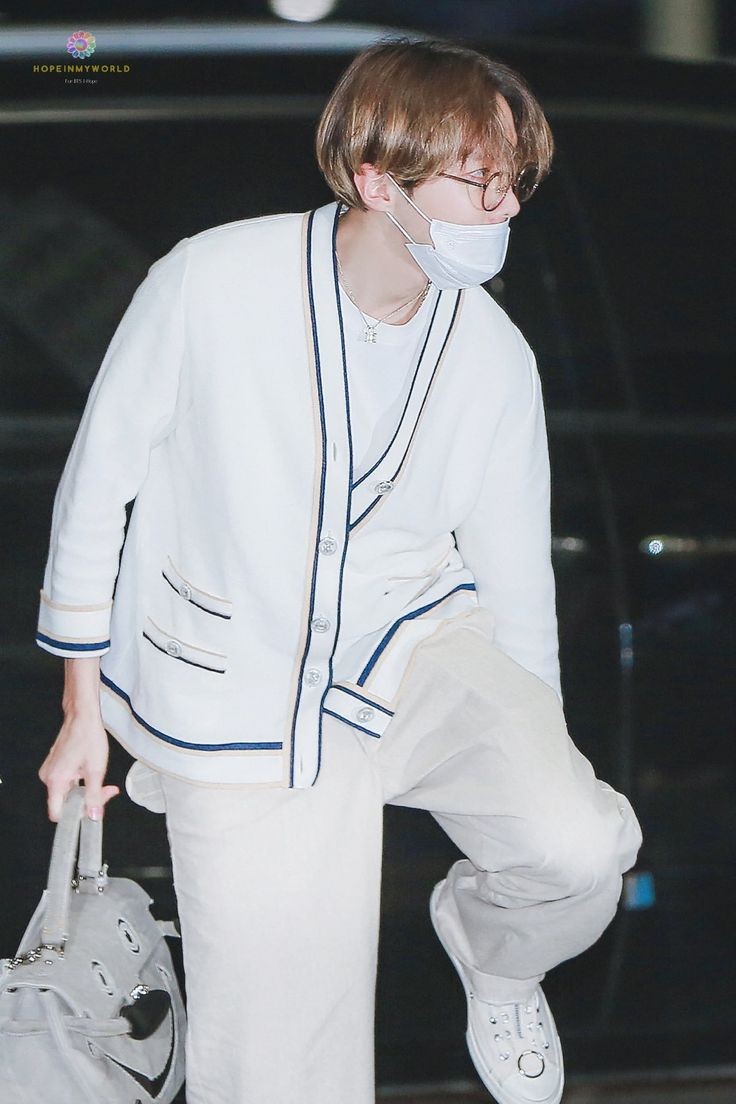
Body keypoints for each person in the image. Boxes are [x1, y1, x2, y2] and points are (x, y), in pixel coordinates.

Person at [35, 37, 643, 1104]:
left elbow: (515, 577)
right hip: (239, 689)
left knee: (578, 845)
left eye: (514, 180)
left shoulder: (493, 354)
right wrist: (82, 705)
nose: (506, 207)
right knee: (283, 1068)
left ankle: (497, 962)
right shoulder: (213, 281)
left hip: (409, 651)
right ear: (377, 180)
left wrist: (534, 751)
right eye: (479, 180)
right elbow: (99, 484)